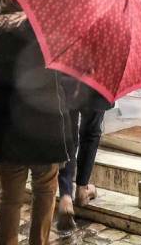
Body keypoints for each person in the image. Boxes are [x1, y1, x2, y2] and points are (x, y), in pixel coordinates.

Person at [0, 0, 74, 245]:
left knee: (9, 197)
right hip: (43, 124)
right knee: (44, 190)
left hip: (5, 126)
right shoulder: (42, 34)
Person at [56, 90, 110, 231]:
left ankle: (66, 196)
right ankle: (82, 190)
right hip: (97, 82)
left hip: (67, 80)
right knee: (91, 133)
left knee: (68, 135)